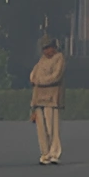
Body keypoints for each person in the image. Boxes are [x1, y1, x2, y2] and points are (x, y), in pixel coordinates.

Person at [28, 37, 66, 166]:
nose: (46, 51)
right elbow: (33, 76)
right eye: (44, 49)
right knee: (41, 129)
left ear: (54, 47)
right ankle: (45, 154)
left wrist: (39, 80)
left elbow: (55, 76)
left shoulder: (59, 58)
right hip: (38, 98)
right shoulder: (41, 61)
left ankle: (54, 153)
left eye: (48, 48)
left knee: (52, 128)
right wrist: (35, 79)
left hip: (52, 98)